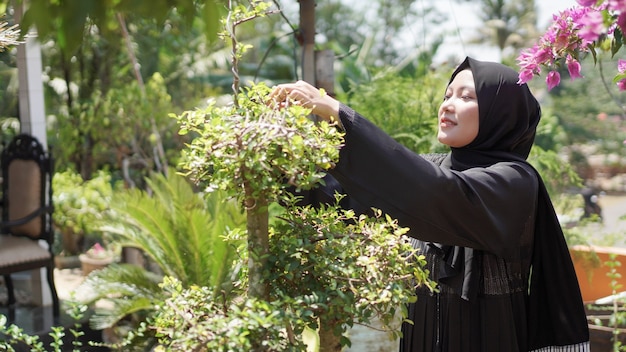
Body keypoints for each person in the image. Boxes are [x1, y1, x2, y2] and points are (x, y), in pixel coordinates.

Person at [270, 57, 590, 352]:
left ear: (500, 113)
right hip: (421, 337)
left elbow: (437, 194)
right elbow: (344, 201)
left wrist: (340, 113)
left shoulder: (515, 181)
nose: (448, 105)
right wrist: (278, 148)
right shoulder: (430, 168)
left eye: (466, 97)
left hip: (491, 338)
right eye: (447, 95)